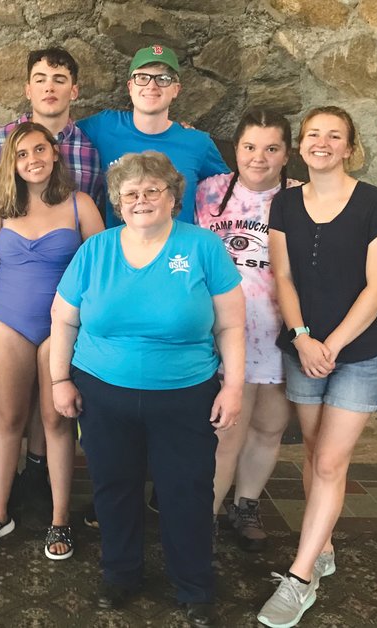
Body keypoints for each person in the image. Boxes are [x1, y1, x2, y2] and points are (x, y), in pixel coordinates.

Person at [51, 151, 245, 626]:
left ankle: (195, 586)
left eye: (152, 190)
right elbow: (63, 319)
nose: (141, 200)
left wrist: (234, 386)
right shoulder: (95, 251)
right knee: (113, 487)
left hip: (185, 393)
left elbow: (233, 327)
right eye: (131, 193)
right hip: (102, 391)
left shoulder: (203, 248)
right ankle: (120, 574)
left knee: (188, 491)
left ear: (173, 197)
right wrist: (59, 379)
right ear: (117, 201)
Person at [257, 106, 377, 628]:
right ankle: (325, 545)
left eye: (333, 136)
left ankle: (300, 578)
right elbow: (283, 278)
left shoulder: (375, 203)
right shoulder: (285, 204)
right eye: (313, 134)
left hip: (358, 352)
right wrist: (302, 338)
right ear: (300, 146)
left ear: (348, 147)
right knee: (314, 453)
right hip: (303, 347)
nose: (322, 142)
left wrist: (330, 345)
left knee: (331, 463)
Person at [0, 47, 104, 519]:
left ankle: (58, 515)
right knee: (8, 413)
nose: (31, 157)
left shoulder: (86, 167)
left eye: (59, 78)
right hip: (8, 319)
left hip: (62, 323)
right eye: (40, 78)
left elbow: (102, 264)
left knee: (55, 416)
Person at [196, 108, 297, 552]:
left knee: (270, 425)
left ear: (286, 153)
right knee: (225, 433)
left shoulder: (301, 197)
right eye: (250, 147)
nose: (259, 157)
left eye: (271, 148)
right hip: (219, 332)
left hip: (277, 328)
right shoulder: (209, 192)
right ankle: (205, 520)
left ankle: (247, 504)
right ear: (234, 150)